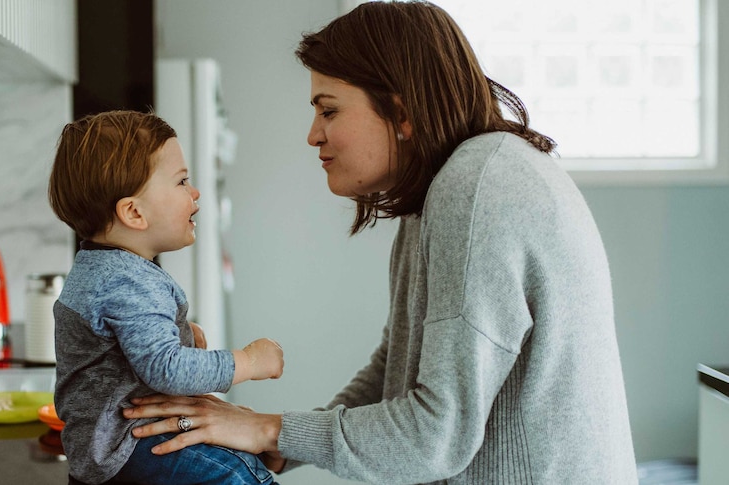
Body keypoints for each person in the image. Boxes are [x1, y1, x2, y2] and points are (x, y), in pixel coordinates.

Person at [122, 2, 638, 484]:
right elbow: (397, 366)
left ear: (402, 111)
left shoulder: (477, 187)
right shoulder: (452, 185)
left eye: (329, 111)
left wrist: (270, 428)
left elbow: (435, 436)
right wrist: (287, 439)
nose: (312, 135)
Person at [47, 110, 284, 485]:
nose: (195, 192)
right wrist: (249, 361)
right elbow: (167, 369)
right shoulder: (128, 281)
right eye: (182, 181)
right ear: (134, 212)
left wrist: (178, 331)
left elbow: (117, 342)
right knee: (240, 475)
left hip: (102, 445)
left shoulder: (100, 268)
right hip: (129, 445)